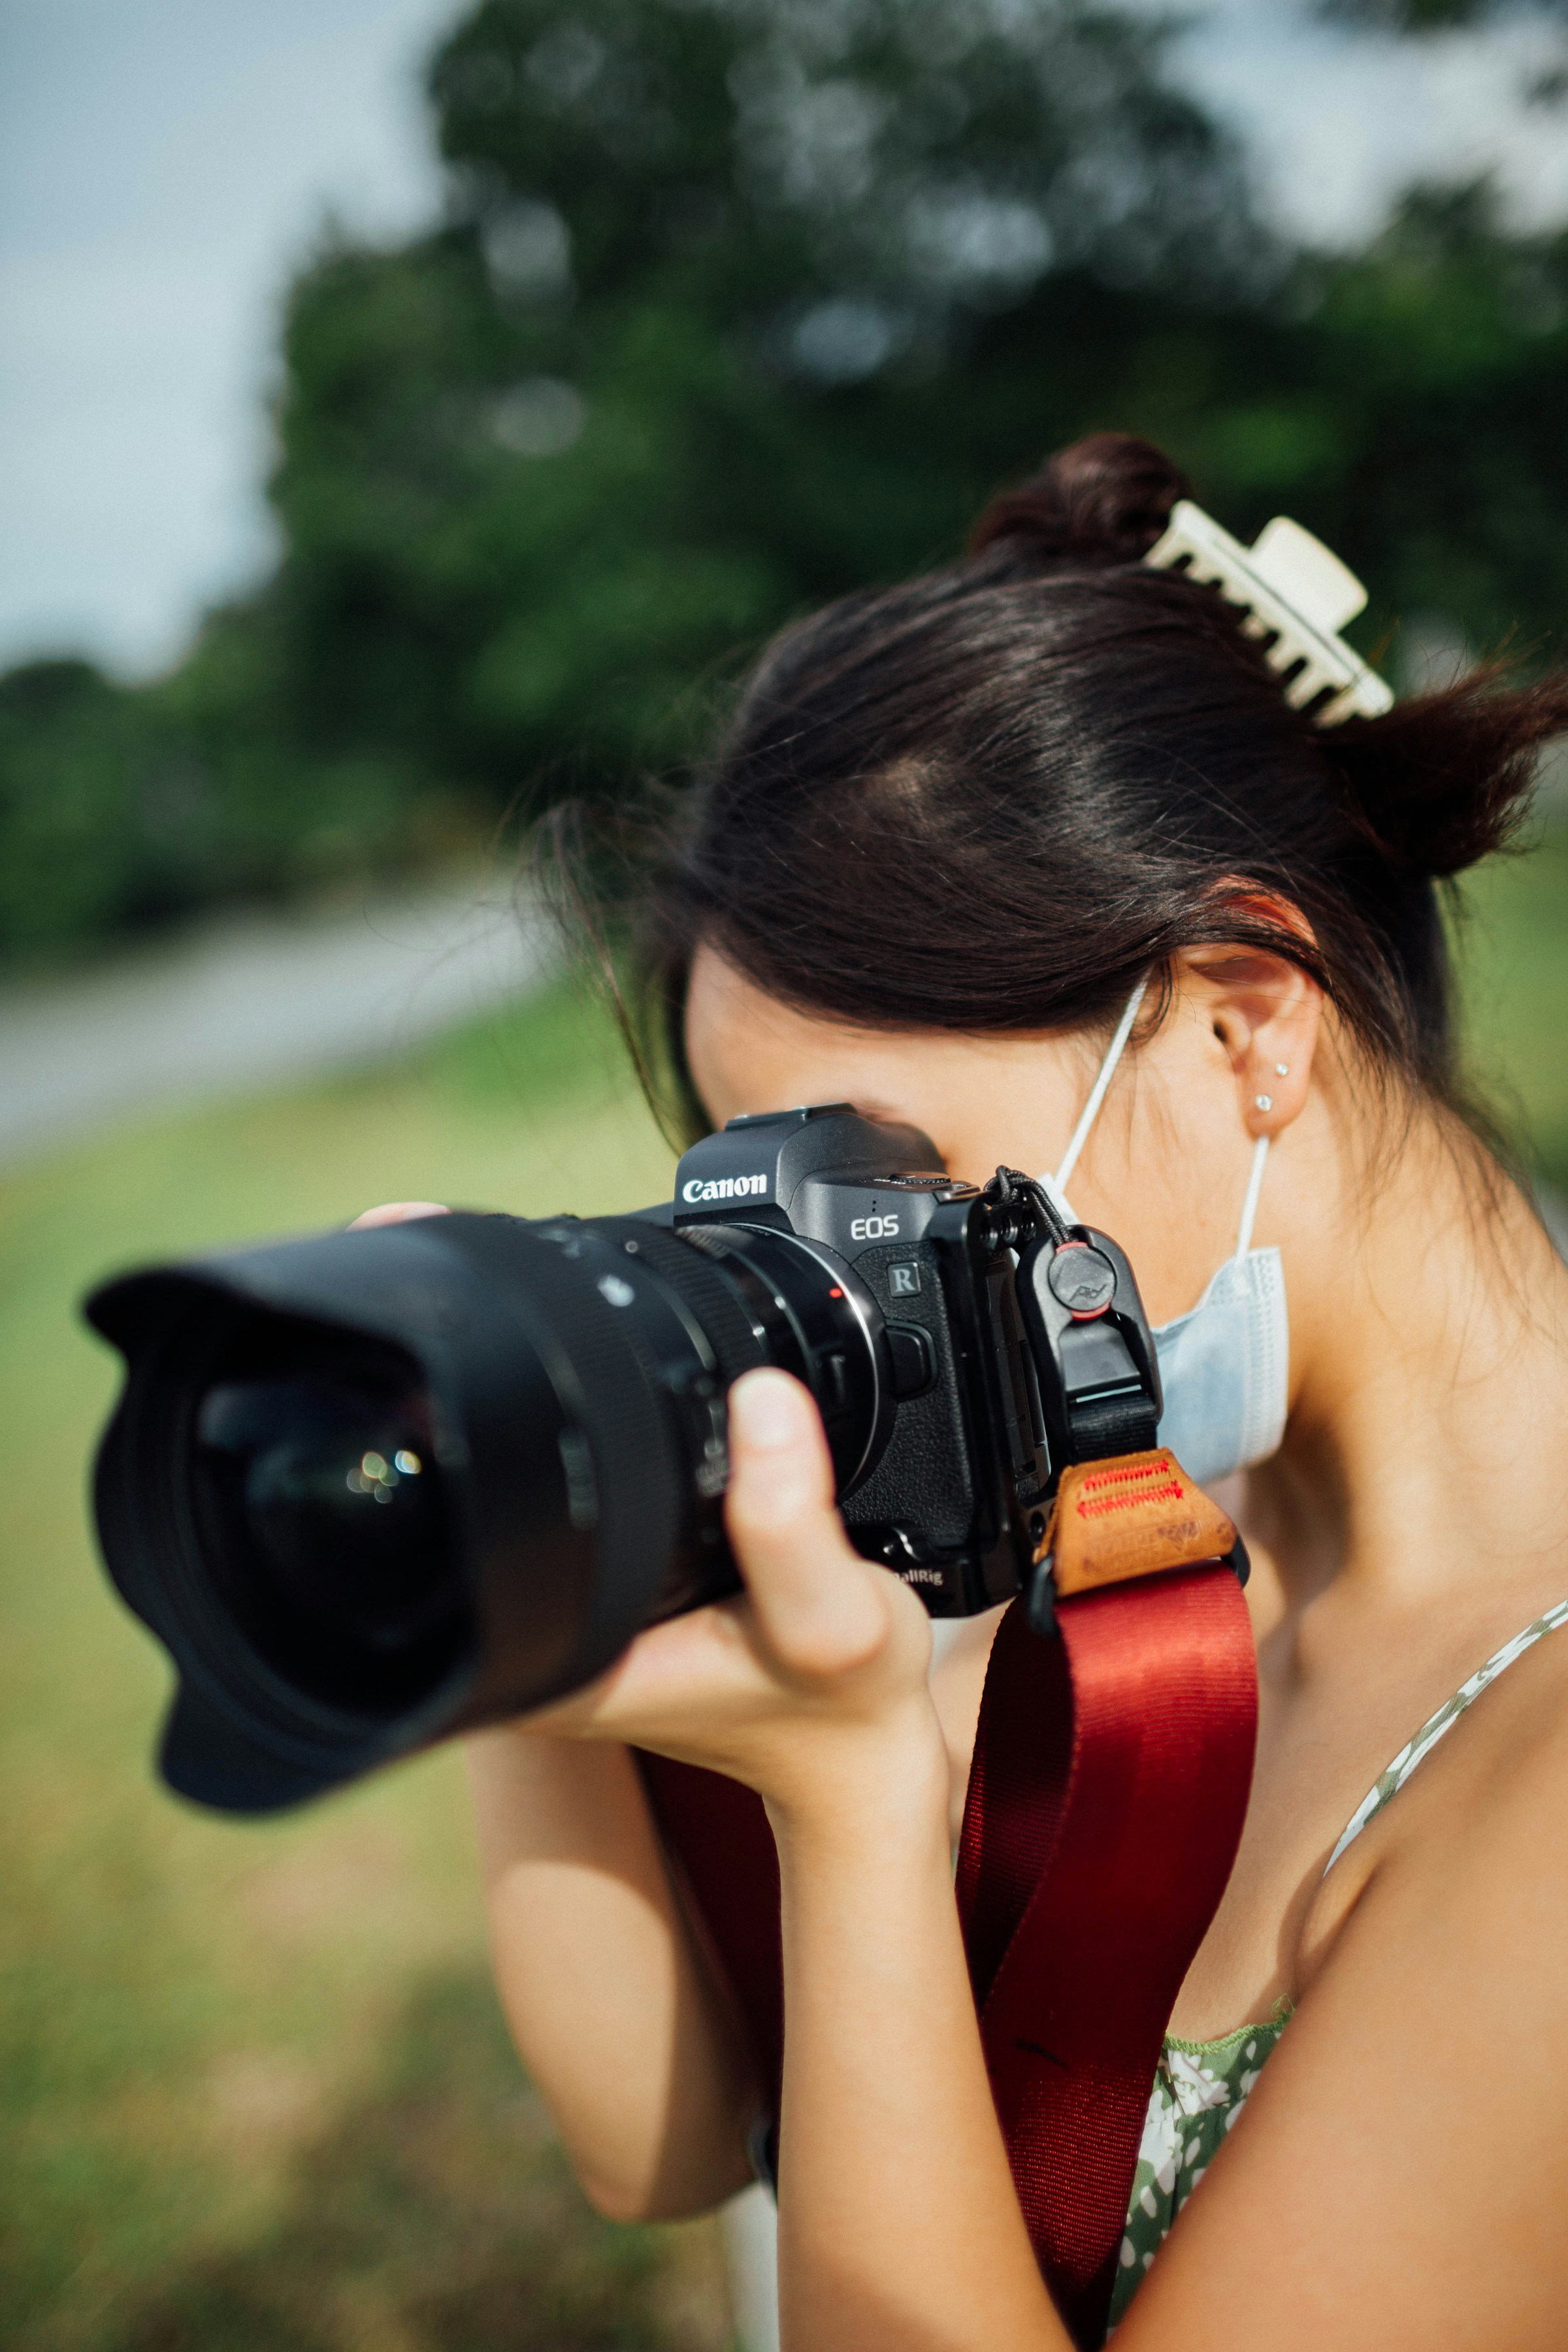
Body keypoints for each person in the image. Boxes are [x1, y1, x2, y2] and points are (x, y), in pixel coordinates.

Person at [365, 435, 1568, 2348]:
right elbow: (665, 2136)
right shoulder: (1095, 1504)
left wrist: (852, 1802)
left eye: (883, 1188)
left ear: (1245, 1022)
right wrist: (532, 1533)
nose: (835, 1292)